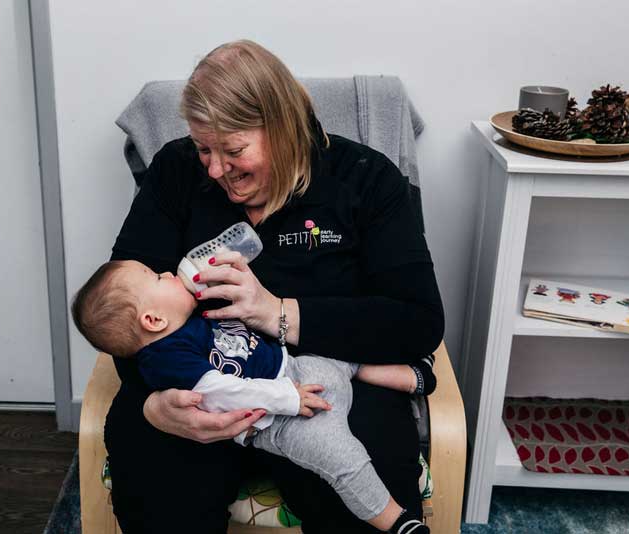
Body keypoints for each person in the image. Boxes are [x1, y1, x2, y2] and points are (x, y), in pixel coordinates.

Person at [105, 40, 445, 534]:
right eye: (205, 148)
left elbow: (417, 322)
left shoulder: (365, 181)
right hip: (198, 380)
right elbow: (124, 301)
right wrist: (154, 405)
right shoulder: (176, 173)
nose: (217, 169)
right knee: (157, 483)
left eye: (234, 150)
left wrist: (277, 313)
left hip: (327, 383)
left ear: (287, 130)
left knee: (362, 493)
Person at [73, 259, 438, 532]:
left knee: (340, 353)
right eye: (157, 278)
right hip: (279, 420)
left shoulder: (187, 322)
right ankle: (394, 520)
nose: (169, 273)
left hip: (293, 370)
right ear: (153, 320)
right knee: (340, 455)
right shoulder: (166, 358)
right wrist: (288, 399)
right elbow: (226, 391)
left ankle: (409, 376)